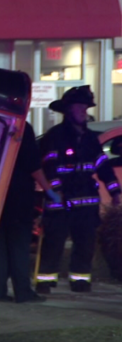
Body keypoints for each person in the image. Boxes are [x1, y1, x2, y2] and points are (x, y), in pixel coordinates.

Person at [35, 85, 121, 293]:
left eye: (86, 107)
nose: (84, 111)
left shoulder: (90, 139)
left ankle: (80, 280)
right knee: (53, 243)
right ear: (68, 110)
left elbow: (103, 166)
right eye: (80, 106)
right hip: (60, 202)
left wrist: (115, 192)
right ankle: (45, 281)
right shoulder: (55, 137)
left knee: (85, 244)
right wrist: (56, 192)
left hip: (86, 201)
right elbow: (49, 167)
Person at [0, 122, 56, 303]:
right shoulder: (21, 127)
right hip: (18, 196)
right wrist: (48, 190)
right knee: (19, 245)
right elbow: (33, 165)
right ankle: (23, 291)